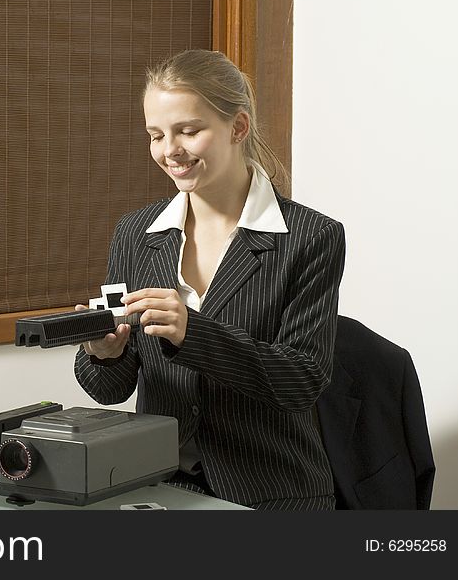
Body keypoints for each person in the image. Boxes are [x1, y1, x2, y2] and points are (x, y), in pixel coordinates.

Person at [74, 49, 345, 510]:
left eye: (188, 131)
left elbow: (302, 380)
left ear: (237, 128)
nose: (169, 150)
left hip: (271, 493)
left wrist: (192, 332)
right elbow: (111, 390)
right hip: (157, 489)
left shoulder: (311, 236)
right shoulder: (136, 234)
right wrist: (105, 354)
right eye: (156, 135)